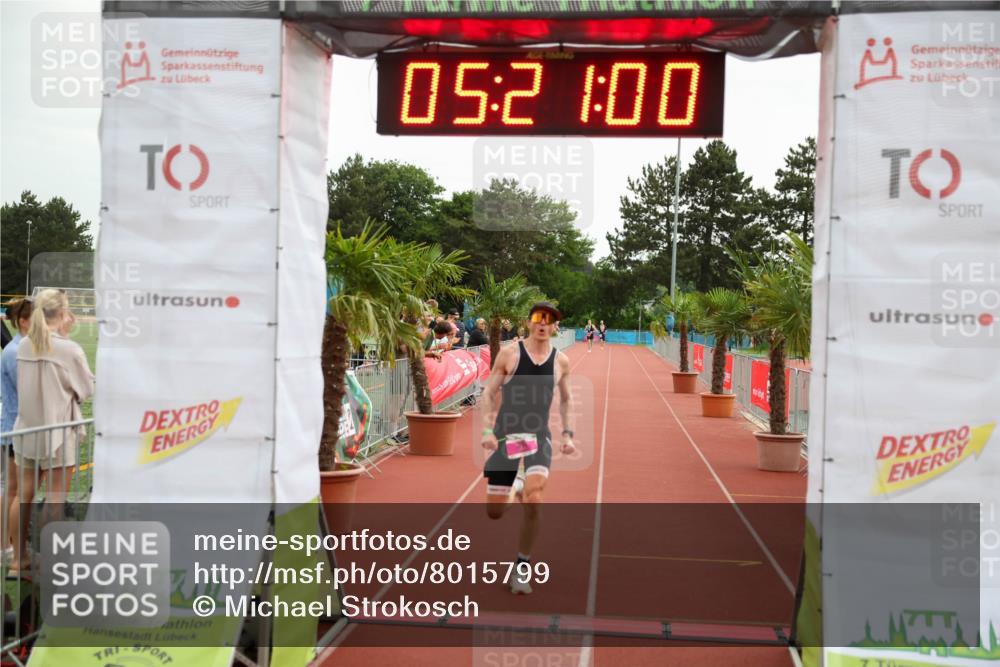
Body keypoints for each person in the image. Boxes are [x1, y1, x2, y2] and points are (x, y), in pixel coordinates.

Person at [480, 301, 575, 595]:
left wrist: (568, 434)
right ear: (529, 322)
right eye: (538, 317)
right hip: (505, 438)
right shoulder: (510, 354)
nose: (543, 323)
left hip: (538, 437)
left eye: (549, 319)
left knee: (535, 499)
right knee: (495, 512)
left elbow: (566, 399)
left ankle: (521, 568)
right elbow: (488, 393)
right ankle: (515, 485)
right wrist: (487, 430)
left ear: (555, 326)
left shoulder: (561, 362)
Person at [9, 289, 94, 573]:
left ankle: (18, 559)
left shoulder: (24, 344)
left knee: (23, 495)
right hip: (58, 432)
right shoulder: (68, 349)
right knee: (55, 497)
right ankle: (54, 563)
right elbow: (86, 389)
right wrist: (66, 337)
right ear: (63, 312)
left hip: (26, 429)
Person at [1, 298, 33, 561]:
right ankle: (6, 547)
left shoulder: (20, 348)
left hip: (16, 427)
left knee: (12, 488)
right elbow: (26, 393)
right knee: (12, 489)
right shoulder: (15, 352)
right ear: (23, 322)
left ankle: (8, 545)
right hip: (15, 428)